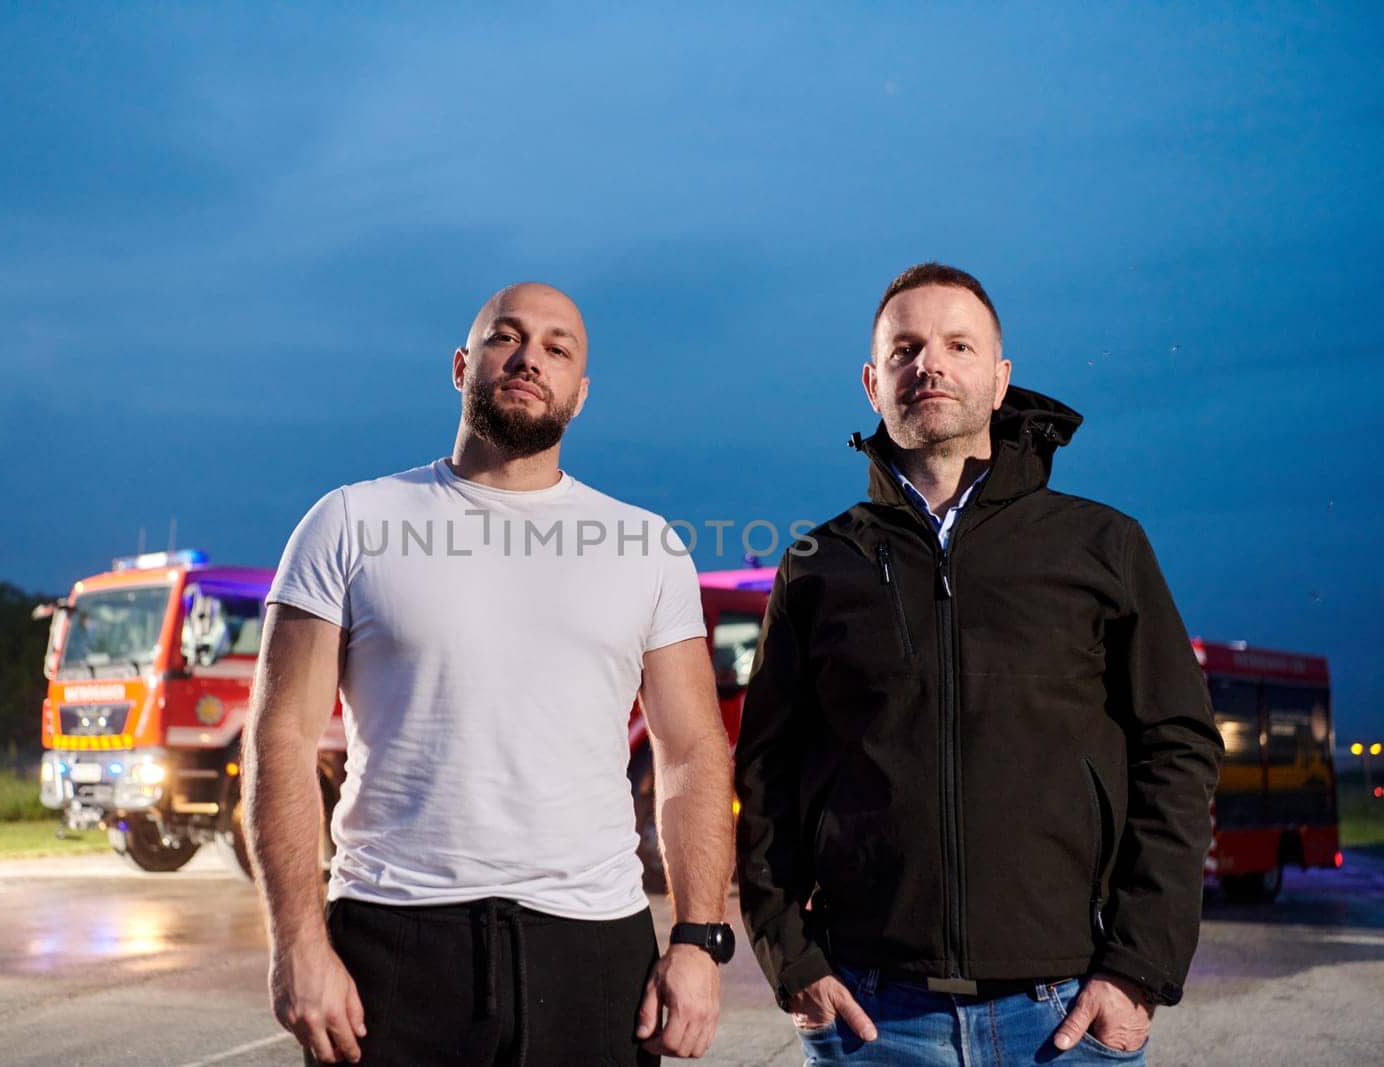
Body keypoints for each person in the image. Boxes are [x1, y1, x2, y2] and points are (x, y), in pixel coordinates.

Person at [734, 263, 1223, 1065]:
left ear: (999, 380)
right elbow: (764, 773)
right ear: (872, 382)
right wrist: (794, 962)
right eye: (905, 348)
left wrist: (1139, 968)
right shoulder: (819, 564)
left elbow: (1180, 749)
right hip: (872, 1017)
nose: (930, 363)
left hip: (1065, 1014)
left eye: (959, 345)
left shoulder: (1102, 546)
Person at [245, 282, 737, 1066]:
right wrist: (297, 944)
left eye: (556, 347)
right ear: (460, 365)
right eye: (505, 337)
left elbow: (690, 752)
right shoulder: (349, 522)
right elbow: (282, 738)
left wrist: (698, 940)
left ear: (580, 394)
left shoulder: (646, 547)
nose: (528, 357)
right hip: (393, 942)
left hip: (596, 954)